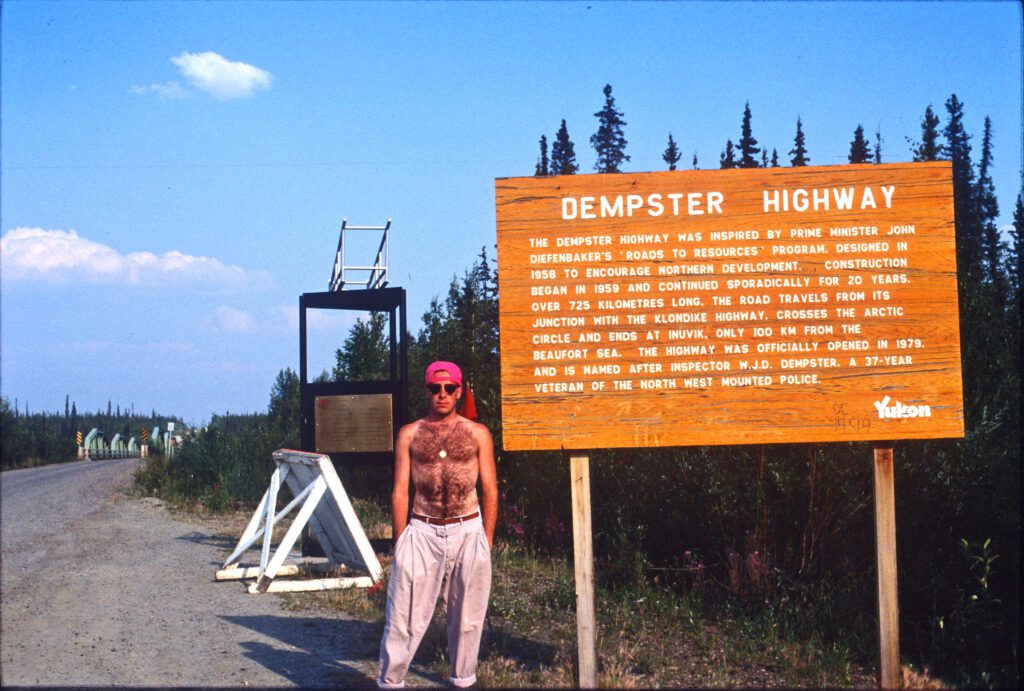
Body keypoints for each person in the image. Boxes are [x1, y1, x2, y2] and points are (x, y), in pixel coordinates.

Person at [378, 361, 497, 688]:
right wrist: (401, 540)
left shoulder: (477, 433)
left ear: (459, 391)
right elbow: (400, 489)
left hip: (468, 528)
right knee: (404, 615)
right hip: (422, 530)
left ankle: (462, 680)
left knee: (467, 618)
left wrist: (486, 539)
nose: (441, 394)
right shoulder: (410, 434)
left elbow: (490, 488)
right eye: (435, 388)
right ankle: (390, 682)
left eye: (448, 388)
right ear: (426, 390)